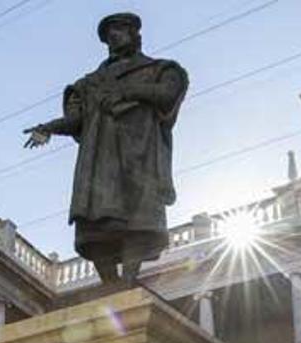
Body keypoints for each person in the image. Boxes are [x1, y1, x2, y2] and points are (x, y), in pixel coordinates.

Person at [23, 12, 188, 285]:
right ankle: (112, 286)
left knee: (136, 221)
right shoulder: (88, 84)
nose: (114, 36)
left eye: (121, 30)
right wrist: (48, 127)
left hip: (139, 156)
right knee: (94, 226)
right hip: (98, 161)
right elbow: (77, 121)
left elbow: (168, 95)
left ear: (136, 35)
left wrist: (128, 92)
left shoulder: (160, 70)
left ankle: (130, 280)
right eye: (109, 34)